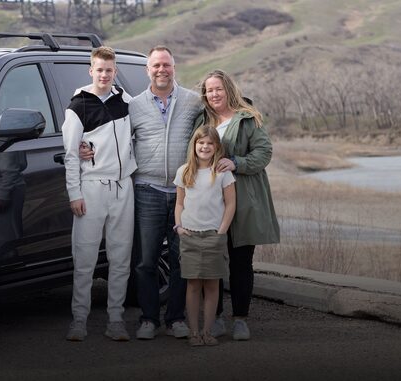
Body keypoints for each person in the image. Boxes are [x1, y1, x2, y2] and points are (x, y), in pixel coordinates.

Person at [82, 46, 205, 340]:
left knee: (180, 260)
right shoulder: (133, 105)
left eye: (166, 65)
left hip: (182, 191)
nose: (161, 70)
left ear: (174, 67)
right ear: (146, 70)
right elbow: (112, 136)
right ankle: (148, 319)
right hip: (146, 189)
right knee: (146, 260)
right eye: (156, 66)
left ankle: (175, 318)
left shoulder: (192, 101)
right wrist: (88, 147)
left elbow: (212, 132)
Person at [197, 69, 280, 341]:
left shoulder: (248, 118)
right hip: (209, 202)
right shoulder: (202, 119)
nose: (214, 94)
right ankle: (216, 316)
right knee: (213, 261)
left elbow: (264, 152)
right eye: (209, 90)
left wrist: (237, 163)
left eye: (218, 89)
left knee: (240, 261)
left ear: (228, 89)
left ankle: (241, 319)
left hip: (242, 200)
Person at [61, 46, 137, 342]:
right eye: (99, 69)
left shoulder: (127, 102)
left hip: (123, 187)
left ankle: (115, 320)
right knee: (85, 258)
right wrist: (74, 193)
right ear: (91, 71)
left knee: (121, 259)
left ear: (115, 72)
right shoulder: (77, 106)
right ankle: (79, 320)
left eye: (109, 70)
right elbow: (70, 154)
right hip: (91, 188)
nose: (104, 75)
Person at [173, 126, 236, 346]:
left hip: (213, 236)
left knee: (211, 286)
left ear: (216, 147)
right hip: (189, 235)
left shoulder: (222, 173)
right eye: (201, 143)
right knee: (192, 286)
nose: (205, 147)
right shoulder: (184, 171)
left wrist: (221, 232)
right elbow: (179, 203)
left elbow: (230, 205)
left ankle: (208, 332)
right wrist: (179, 227)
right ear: (194, 145)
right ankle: (194, 332)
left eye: (210, 143)